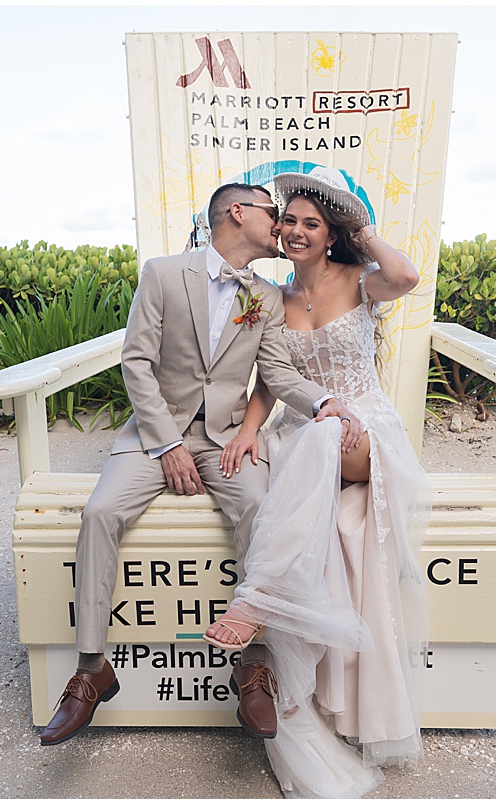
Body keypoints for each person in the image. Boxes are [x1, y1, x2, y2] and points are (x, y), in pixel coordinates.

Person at [38, 182, 363, 747]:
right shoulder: (163, 274)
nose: (282, 226)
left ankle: (252, 666)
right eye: (274, 215)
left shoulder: (263, 296)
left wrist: (320, 401)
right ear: (239, 214)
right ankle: (91, 670)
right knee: (99, 513)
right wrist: (166, 445)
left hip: (225, 441)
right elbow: (136, 362)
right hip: (154, 436)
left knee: (263, 507)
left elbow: (277, 373)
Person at [204, 166, 431, 798]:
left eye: (313, 224)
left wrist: (359, 225)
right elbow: (271, 377)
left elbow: (408, 276)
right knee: (312, 440)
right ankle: (299, 684)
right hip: (308, 434)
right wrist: (250, 428)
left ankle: (258, 595)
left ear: (330, 235)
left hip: (365, 432)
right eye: (292, 222)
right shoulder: (273, 299)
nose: (299, 232)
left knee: (333, 429)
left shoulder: (358, 281)